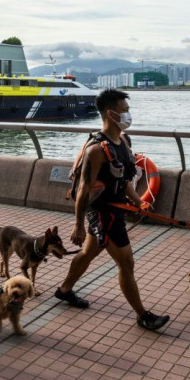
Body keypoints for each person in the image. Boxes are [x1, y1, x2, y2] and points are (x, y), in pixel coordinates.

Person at [55, 89, 170, 331]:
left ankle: (64, 290)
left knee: (88, 253)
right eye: (125, 111)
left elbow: (125, 179)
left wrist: (138, 202)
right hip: (102, 213)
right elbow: (84, 189)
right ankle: (142, 316)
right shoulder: (96, 150)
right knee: (126, 263)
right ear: (111, 113)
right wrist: (78, 224)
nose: (129, 115)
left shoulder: (124, 141)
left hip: (116, 210)